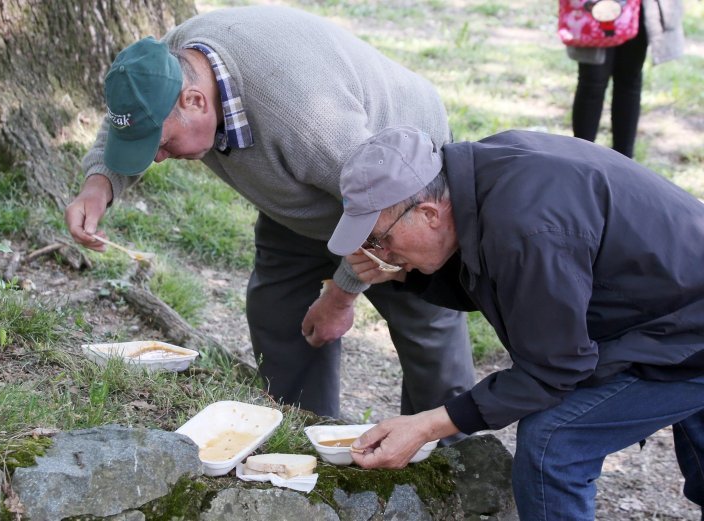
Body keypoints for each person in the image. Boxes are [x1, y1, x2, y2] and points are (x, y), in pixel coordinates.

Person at [64, 6, 475, 422]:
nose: (156, 158)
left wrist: (339, 297)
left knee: (424, 325)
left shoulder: (307, 121)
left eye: (164, 144)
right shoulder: (164, 67)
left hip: (400, 188)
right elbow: (134, 118)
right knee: (279, 311)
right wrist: (100, 185)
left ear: (195, 101)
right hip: (310, 191)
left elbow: (379, 209)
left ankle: (450, 458)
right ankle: (303, 435)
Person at [327, 125, 704, 519]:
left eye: (379, 239)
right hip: (671, 302)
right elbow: (501, 280)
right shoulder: (479, 178)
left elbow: (554, 370)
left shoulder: (527, 229)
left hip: (686, 326)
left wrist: (429, 425)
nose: (378, 252)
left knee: (554, 441)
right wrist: (402, 272)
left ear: (428, 213)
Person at [567, 0, 684, 158]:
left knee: (629, 79)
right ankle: (581, 159)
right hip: (595, 7)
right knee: (593, 81)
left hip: (640, 6)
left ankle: (624, 162)